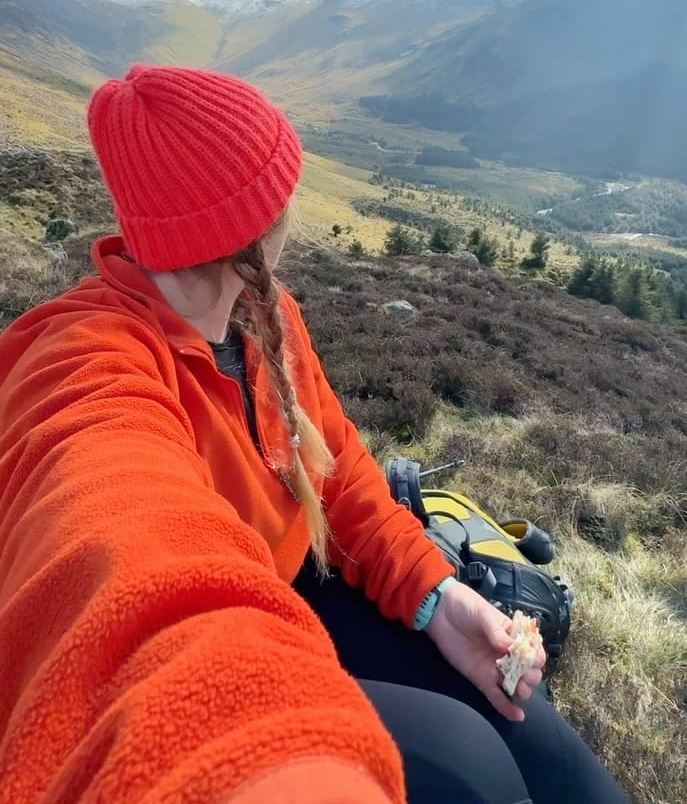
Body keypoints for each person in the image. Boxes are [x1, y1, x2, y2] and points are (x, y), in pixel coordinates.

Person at [0, 64, 629, 804]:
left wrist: (433, 595)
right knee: (470, 767)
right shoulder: (83, 362)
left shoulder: (269, 317)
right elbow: (124, 544)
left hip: (312, 584)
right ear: (254, 226)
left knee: (544, 750)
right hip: (231, 628)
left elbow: (339, 474)